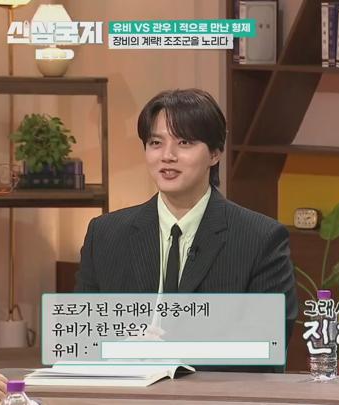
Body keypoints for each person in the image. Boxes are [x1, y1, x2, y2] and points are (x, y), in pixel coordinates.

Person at [75, 89, 298, 369]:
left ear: (215, 153)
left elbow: (266, 345)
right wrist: (122, 348)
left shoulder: (260, 238)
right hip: (127, 387)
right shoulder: (105, 234)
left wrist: (172, 354)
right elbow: (81, 338)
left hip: (213, 391)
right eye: (156, 143)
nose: (167, 156)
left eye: (184, 142)